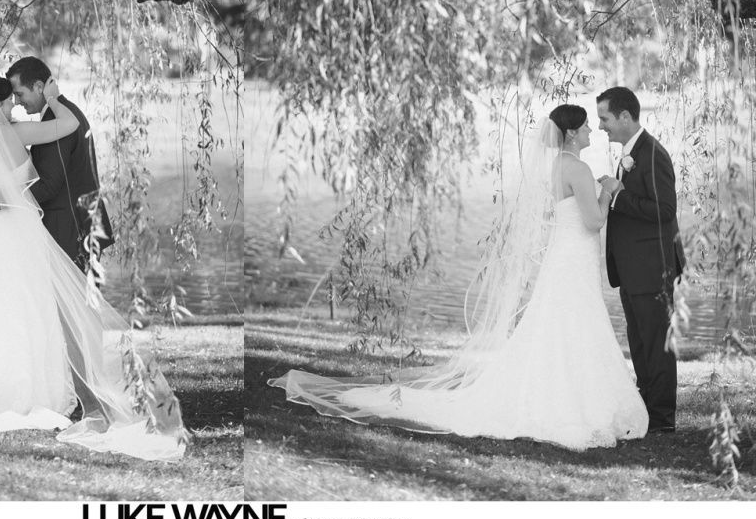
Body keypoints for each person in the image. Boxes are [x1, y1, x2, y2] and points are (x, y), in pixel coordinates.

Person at [269, 104, 649, 450]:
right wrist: (609, 191)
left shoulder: (555, 167)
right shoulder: (579, 169)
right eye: (585, 127)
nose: (591, 132)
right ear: (570, 134)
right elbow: (594, 221)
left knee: (558, 323)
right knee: (575, 322)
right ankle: (573, 398)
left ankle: (560, 390)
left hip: (564, 258)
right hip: (573, 259)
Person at [0, 76, 185, 460]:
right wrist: (55, 99)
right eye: (10, 102)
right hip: (17, 225)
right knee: (25, 300)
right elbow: (69, 126)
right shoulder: (18, 132)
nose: (16, 108)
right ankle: (32, 388)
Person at [596, 86, 684, 434]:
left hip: (653, 266)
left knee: (657, 342)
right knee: (641, 340)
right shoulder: (630, 153)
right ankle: (646, 407)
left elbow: (665, 211)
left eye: (605, 118)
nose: (602, 126)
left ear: (625, 117)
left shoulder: (652, 154)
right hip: (634, 268)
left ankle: (662, 419)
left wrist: (619, 196)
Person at [5, 57, 113, 277]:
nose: (16, 102)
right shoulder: (66, 113)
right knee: (78, 308)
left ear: (38, 87)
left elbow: (49, 185)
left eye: (19, 94)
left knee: (68, 309)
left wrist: (6, 196)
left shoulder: (58, 120)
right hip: (80, 226)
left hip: (69, 230)